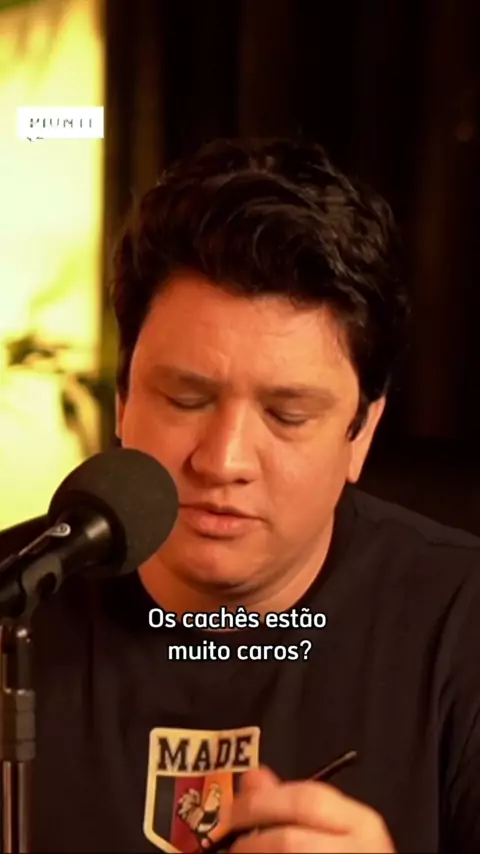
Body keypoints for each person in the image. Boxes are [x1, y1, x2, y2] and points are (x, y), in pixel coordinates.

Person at [1, 137, 479, 854]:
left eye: (287, 415)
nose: (222, 461)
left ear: (361, 433)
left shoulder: (463, 624)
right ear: (123, 399)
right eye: (185, 399)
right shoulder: (16, 599)